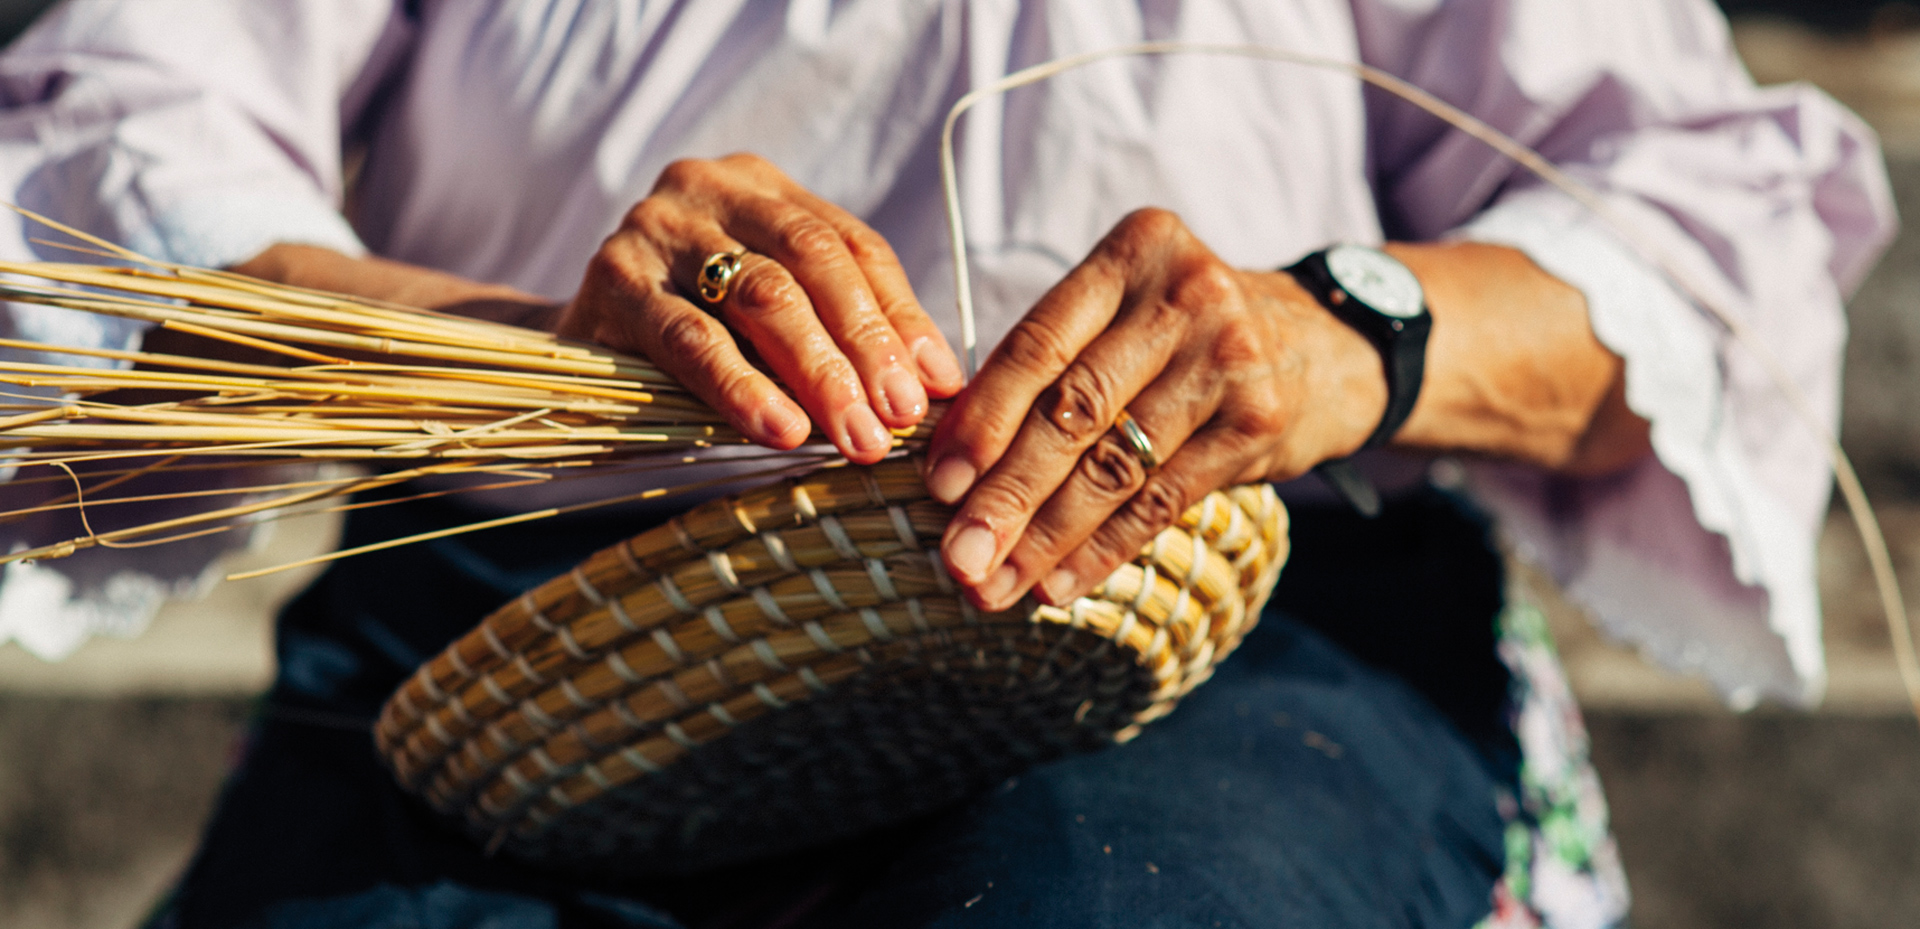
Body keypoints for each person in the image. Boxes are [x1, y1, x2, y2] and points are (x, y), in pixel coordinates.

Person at [0, 1, 1894, 926]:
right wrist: (523, 346)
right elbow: (123, 135)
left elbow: (1702, 234)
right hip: (532, 632)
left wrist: (1345, 330)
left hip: (1220, 621)